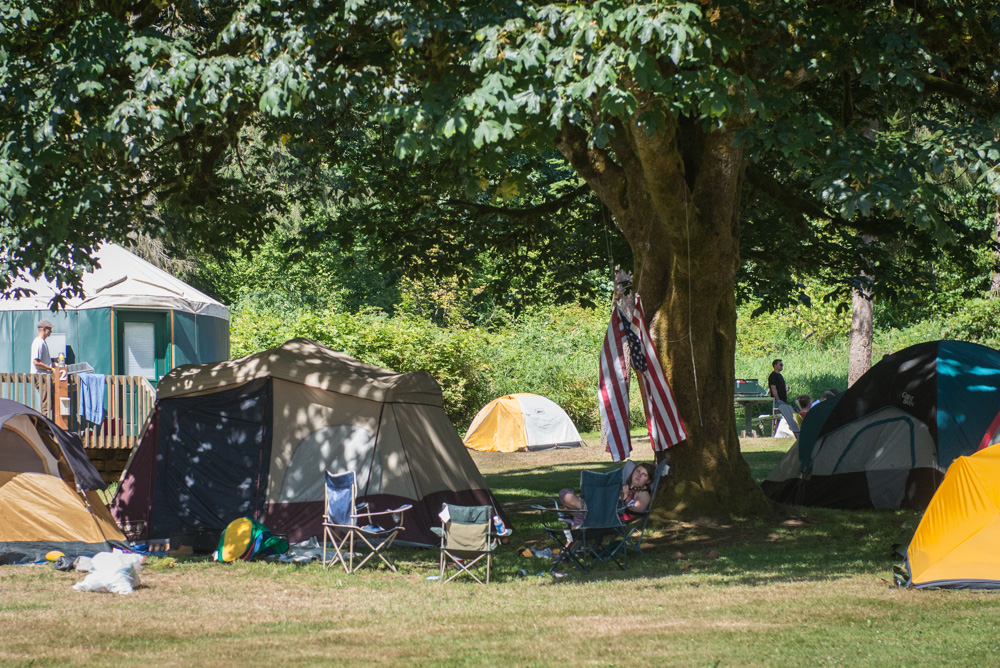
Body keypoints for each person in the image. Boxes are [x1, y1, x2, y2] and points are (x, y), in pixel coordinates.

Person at [558, 462, 655, 525]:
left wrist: (624, 499)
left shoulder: (643, 494)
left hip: (611, 518)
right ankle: (582, 509)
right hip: (598, 509)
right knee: (566, 493)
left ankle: (567, 551)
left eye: (644, 474)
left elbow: (636, 512)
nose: (639, 475)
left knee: (580, 515)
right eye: (638, 471)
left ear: (648, 481)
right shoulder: (621, 485)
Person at [30, 320, 54, 415]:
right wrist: (50, 368)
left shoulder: (42, 342)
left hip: (44, 377)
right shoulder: (38, 342)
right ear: (44, 329)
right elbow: (36, 362)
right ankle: (42, 427)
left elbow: (42, 360)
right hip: (41, 378)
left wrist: (54, 365)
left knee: (49, 404)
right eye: (50, 329)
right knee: (46, 406)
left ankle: (37, 420)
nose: (51, 331)